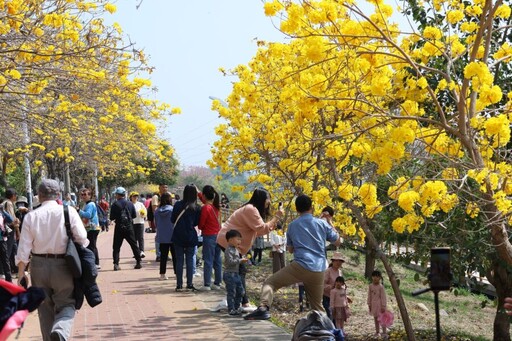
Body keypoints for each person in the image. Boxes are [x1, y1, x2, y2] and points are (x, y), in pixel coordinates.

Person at [244, 194, 341, 320]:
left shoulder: (292, 225)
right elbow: (337, 242)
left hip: (300, 266)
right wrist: (330, 222)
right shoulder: (321, 224)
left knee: (270, 283)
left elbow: (290, 249)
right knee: (317, 306)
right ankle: (327, 332)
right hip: (319, 268)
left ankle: (263, 307)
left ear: (297, 209)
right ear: (311, 207)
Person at [15, 179, 89, 341]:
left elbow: (24, 249)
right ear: (58, 195)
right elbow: (83, 239)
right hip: (63, 265)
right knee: (67, 303)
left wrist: (21, 273)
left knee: (44, 308)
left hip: (38, 266)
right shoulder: (68, 211)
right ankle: (60, 330)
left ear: (39, 196)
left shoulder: (30, 216)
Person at [217, 187, 283, 311]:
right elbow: (261, 229)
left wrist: (273, 225)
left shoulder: (251, 209)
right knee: (238, 271)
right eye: (268, 199)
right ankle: (242, 302)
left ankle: (238, 300)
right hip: (228, 241)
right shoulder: (250, 209)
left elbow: (256, 231)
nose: (269, 202)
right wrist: (277, 217)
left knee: (240, 271)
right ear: (262, 199)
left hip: (233, 242)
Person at [171, 184, 201, 291]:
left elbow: (173, 219)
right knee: (189, 261)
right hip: (190, 236)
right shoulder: (197, 207)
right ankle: (189, 284)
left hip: (178, 235)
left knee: (179, 261)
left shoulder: (177, 205)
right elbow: (197, 223)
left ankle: (179, 285)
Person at [109, 187, 142, 271]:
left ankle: (116, 264)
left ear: (117, 195)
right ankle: (138, 262)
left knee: (116, 246)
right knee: (134, 244)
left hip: (119, 227)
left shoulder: (115, 204)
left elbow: (112, 217)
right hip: (129, 227)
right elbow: (134, 215)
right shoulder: (130, 204)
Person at [197, 185, 222, 291]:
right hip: (218, 236)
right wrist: (198, 192)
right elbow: (205, 200)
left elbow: (201, 225)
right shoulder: (216, 207)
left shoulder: (205, 208)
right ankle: (217, 283)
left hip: (209, 236)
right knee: (217, 260)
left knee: (208, 260)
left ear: (205, 195)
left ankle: (207, 284)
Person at [223, 229, 248, 316]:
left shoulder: (236, 250)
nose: (239, 241)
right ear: (230, 240)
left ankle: (237, 307)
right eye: (237, 239)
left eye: (240, 239)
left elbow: (237, 260)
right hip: (229, 274)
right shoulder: (228, 250)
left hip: (236, 274)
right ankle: (231, 309)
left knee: (241, 291)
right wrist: (240, 260)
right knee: (231, 292)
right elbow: (230, 262)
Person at [154, 192, 175, 280]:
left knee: (163, 256)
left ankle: (162, 274)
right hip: (173, 235)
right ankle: (177, 274)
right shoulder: (172, 210)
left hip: (162, 236)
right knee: (175, 256)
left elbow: (156, 224)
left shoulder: (157, 211)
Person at [78, 188, 101, 269]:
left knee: (92, 246)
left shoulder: (90, 204)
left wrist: (79, 211)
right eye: (82, 194)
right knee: (90, 246)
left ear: (90, 196)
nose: (83, 196)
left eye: (85, 194)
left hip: (93, 228)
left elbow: (88, 215)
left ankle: (96, 263)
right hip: (89, 228)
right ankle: (93, 262)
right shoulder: (86, 204)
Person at [323, 252, 345, 320]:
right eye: (336, 261)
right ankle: (331, 329)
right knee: (330, 315)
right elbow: (322, 285)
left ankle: (335, 329)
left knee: (336, 317)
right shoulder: (328, 271)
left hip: (337, 298)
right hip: (328, 297)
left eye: (340, 261)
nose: (338, 263)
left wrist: (345, 295)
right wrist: (331, 287)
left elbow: (343, 284)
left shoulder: (340, 272)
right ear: (333, 261)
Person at [368, 270, 387, 338]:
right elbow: (369, 296)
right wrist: (369, 304)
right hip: (373, 305)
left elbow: (383, 297)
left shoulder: (381, 287)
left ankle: (384, 332)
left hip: (380, 305)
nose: (375, 278)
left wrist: (383, 306)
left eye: (377, 276)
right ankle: (377, 331)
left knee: (382, 319)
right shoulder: (370, 286)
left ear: (380, 278)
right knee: (375, 318)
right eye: (374, 276)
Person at [152, 184, 168, 259]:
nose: (165, 188)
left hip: (167, 219)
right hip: (160, 218)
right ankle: (159, 255)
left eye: (166, 187)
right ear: (159, 188)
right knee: (159, 236)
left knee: (167, 236)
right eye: (163, 187)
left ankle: (166, 254)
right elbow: (154, 209)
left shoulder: (168, 195)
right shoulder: (156, 197)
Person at [130, 192, 147, 259]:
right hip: (132, 223)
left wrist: (143, 214)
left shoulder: (140, 204)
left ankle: (142, 251)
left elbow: (145, 212)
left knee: (140, 237)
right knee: (134, 239)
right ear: (131, 197)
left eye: (136, 196)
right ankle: (136, 252)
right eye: (134, 196)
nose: (135, 197)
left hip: (140, 222)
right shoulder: (129, 204)